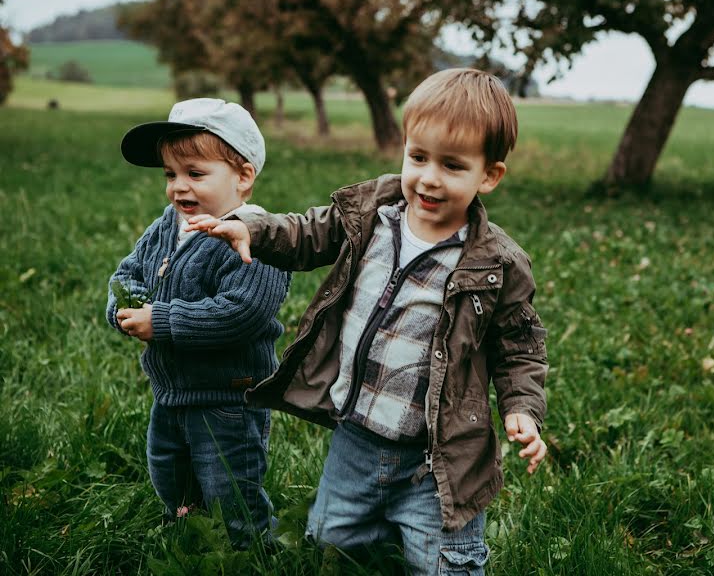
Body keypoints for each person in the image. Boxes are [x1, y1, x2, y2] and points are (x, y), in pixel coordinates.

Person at [187, 69, 548, 573]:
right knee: (330, 547)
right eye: (417, 157)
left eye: (453, 165)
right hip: (355, 436)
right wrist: (253, 227)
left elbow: (521, 345)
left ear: (489, 175)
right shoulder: (373, 213)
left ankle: (421, 535)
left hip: (439, 459)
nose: (428, 177)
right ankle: (372, 527)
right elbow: (306, 233)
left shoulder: (498, 263)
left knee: (446, 564)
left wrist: (523, 409)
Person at [105, 98, 291, 548]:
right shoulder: (170, 223)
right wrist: (124, 307)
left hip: (228, 397)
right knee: (169, 470)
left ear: (243, 177)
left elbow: (240, 312)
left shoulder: (255, 238)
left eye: (195, 173)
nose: (177, 188)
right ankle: (187, 532)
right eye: (170, 174)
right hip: (171, 392)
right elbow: (129, 271)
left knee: (230, 488)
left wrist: (163, 322)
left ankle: (250, 550)